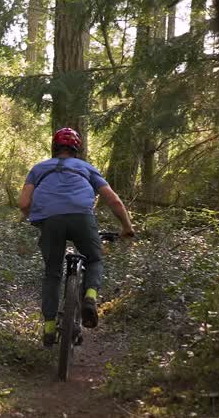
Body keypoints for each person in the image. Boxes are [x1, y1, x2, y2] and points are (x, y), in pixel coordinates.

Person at [18, 127, 135, 347]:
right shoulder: (87, 168)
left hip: (49, 221)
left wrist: (38, 219)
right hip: (82, 217)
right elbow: (114, 201)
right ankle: (90, 297)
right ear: (76, 150)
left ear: (55, 148)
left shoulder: (39, 169)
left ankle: (50, 326)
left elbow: (24, 203)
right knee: (95, 259)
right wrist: (127, 227)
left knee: (52, 273)